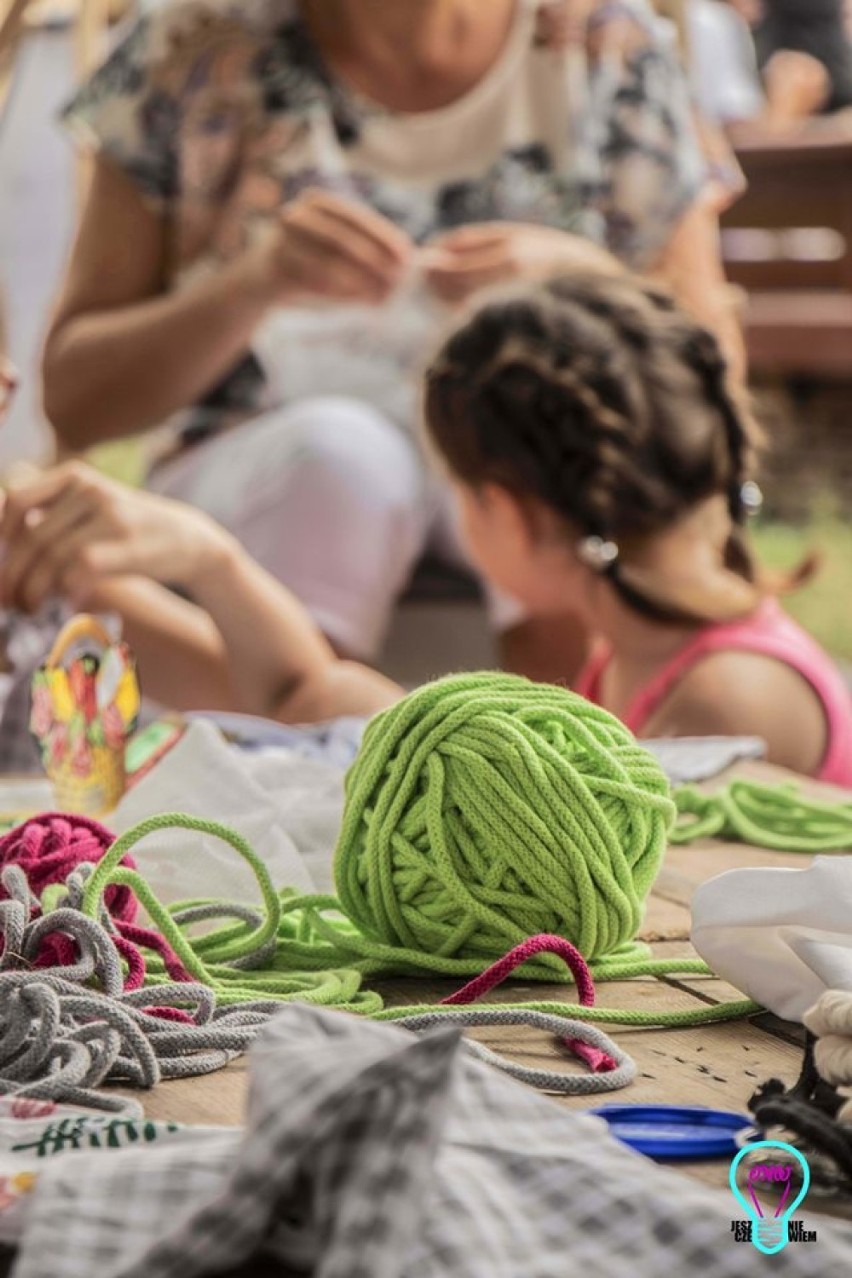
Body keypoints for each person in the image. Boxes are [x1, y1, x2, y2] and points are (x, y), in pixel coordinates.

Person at [42, 0, 740, 684]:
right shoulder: (193, 37)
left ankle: (579, 762)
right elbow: (72, 399)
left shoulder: (605, 40)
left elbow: (706, 381)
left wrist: (580, 281)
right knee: (343, 458)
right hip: (266, 473)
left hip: (501, 473)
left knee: (533, 441)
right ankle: (311, 771)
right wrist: (253, 284)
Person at [5, 273, 850, 781]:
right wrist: (206, 555)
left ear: (507, 515)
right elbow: (317, 697)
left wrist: (208, 557)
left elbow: (343, 710)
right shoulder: (644, 647)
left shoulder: (727, 700)